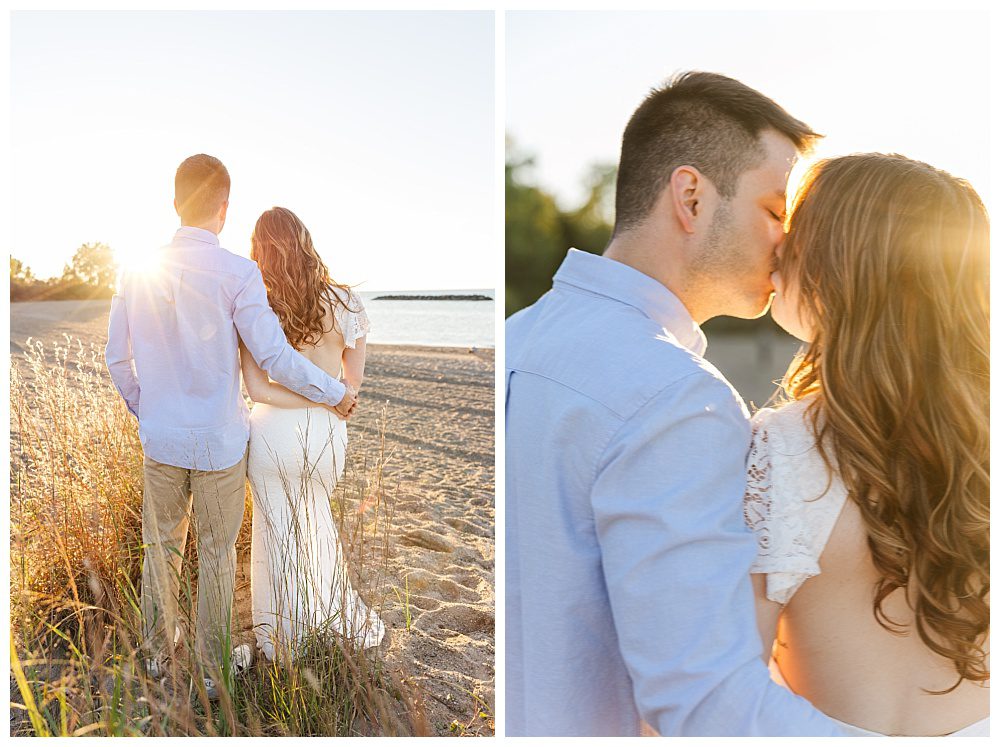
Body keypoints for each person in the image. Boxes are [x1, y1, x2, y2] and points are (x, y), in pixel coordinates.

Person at [505, 71, 844, 736]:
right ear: (690, 195)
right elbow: (706, 703)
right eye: (776, 211)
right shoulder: (678, 395)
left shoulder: (517, 337)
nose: (789, 243)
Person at [745, 153, 989, 736]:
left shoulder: (783, 445)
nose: (777, 251)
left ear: (839, 267)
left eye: (796, 230)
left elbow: (728, 686)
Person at [105, 155, 358, 699]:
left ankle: (153, 657)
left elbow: (116, 360)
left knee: (161, 549)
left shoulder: (136, 270)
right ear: (224, 209)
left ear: (175, 203)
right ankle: (212, 672)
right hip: (221, 446)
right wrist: (335, 392)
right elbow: (273, 357)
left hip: (162, 440)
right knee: (217, 558)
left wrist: (146, 408)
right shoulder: (238, 273)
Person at [240, 207, 385, 663]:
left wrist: (320, 397)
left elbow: (258, 389)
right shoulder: (348, 304)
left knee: (277, 534)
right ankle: (321, 620)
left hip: (272, 433)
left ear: (259, 252)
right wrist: (329, 400)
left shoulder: (257, 309)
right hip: (327, 436)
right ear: (306, 241)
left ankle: (282, 639)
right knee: (316, 522)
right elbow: (351, 389)